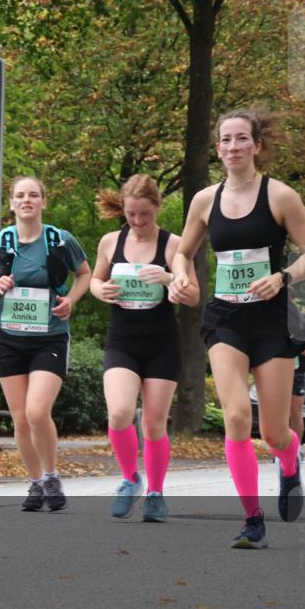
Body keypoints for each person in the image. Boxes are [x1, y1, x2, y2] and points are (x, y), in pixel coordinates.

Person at [171, 108, 305, 549]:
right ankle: (252, 519)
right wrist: (185, 277)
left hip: (272, 321)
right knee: (237, 417)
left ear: (257, 145)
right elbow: (183, 253)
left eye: (242, 139)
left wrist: (284, 277)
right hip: (226, 319)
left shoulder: (280, 196)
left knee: (274, 432)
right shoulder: (204, 200)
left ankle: (290, 459)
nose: (233, 147)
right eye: (226, 140)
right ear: (217, 147)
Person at [0, 176, 91, 513]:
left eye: (33, 195)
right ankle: (35, 482)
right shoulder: (1, 242)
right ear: (11, 203)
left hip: (49, 336)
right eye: (20, 195)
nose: (27, 200)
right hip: (9, 338)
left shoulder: (59, 240)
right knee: (20, 419)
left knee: (38, 411)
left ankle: (51, 475)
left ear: (43, 202)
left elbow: (85, 274)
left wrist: (72, 301)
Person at [90, 174, 199, 522]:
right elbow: (94, 278)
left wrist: (170, 279)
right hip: (122, 340)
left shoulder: (174, 246)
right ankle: (129, 478)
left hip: (161, 344)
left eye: (144, 215)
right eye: (131, 215)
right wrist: (100, 289)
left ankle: (155, 492)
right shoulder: (110, 242)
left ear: (157, 209)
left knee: (153, 424)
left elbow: (194, 294)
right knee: (120, 413)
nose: (137, 222)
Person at [289, 344, 305, 441]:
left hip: (298, 373)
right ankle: (278, 450)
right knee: (278, 411)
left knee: (295, 411)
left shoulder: (298, 328)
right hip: (277, 370)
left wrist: (288, 340)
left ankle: (295, 449)